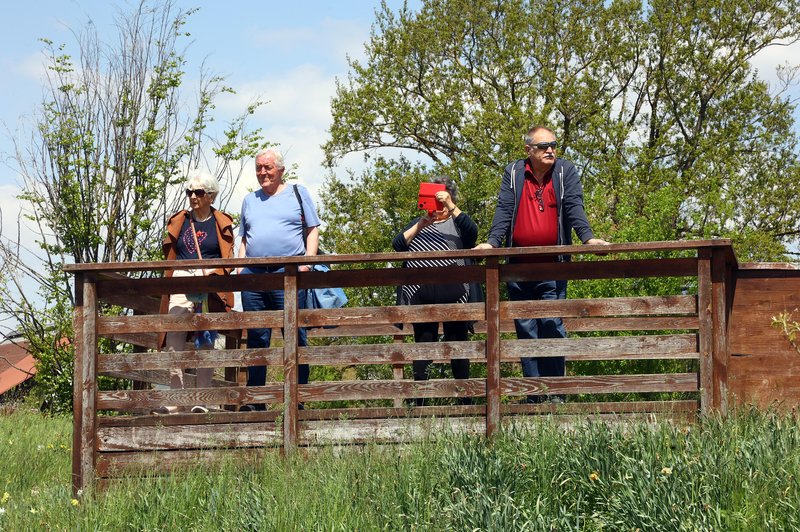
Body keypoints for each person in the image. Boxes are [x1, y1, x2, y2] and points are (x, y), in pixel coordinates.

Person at [475, 126, 609, 403]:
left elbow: (574, 206)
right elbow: (504, 208)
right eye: (543, 146)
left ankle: (556, 393)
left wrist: (588, 238)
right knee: (525, 328)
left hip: (553, 265)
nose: (550, 150)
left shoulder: (565, 171)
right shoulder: (513, 172)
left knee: (551, 323)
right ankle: (534, 395)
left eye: (554, 145)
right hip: (517, 267)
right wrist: (492, 243)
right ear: (528, 150)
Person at [238, 148, 320, 411]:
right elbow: (244, 237)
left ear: (281, 170)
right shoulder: (249, 200)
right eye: (259, 167)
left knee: (295, 336)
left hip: (289, 275)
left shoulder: (298, 193)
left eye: (268, 167)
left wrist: (307, 261)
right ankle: (257, 401)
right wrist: (240, 270)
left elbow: (312, 229)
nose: (263, 172)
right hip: (254, 279)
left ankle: (297, 400)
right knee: (256, 338)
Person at [393, 176, 478, 406]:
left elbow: (473, 234)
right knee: (423, 348)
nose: (437, 206)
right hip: (422, 298)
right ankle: (419, 405)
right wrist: (422, 223)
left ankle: (465, 401)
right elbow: (398, 245)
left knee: (457, 347)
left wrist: (451, 206)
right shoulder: (418, 223)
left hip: (456, 296)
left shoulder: (458, 223)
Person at [156, 173, 235, 414]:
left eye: (198, 192)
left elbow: (229, 259)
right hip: (181, 280)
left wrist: (214, 271)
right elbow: (169, 252)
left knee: (207, 341)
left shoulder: (221, 222)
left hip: (210, 284)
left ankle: (202, 399)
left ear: (211, 196)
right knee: (174, 339)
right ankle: (175, 399)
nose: (193, 196)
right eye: (189, 192)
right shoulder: (180, 220)